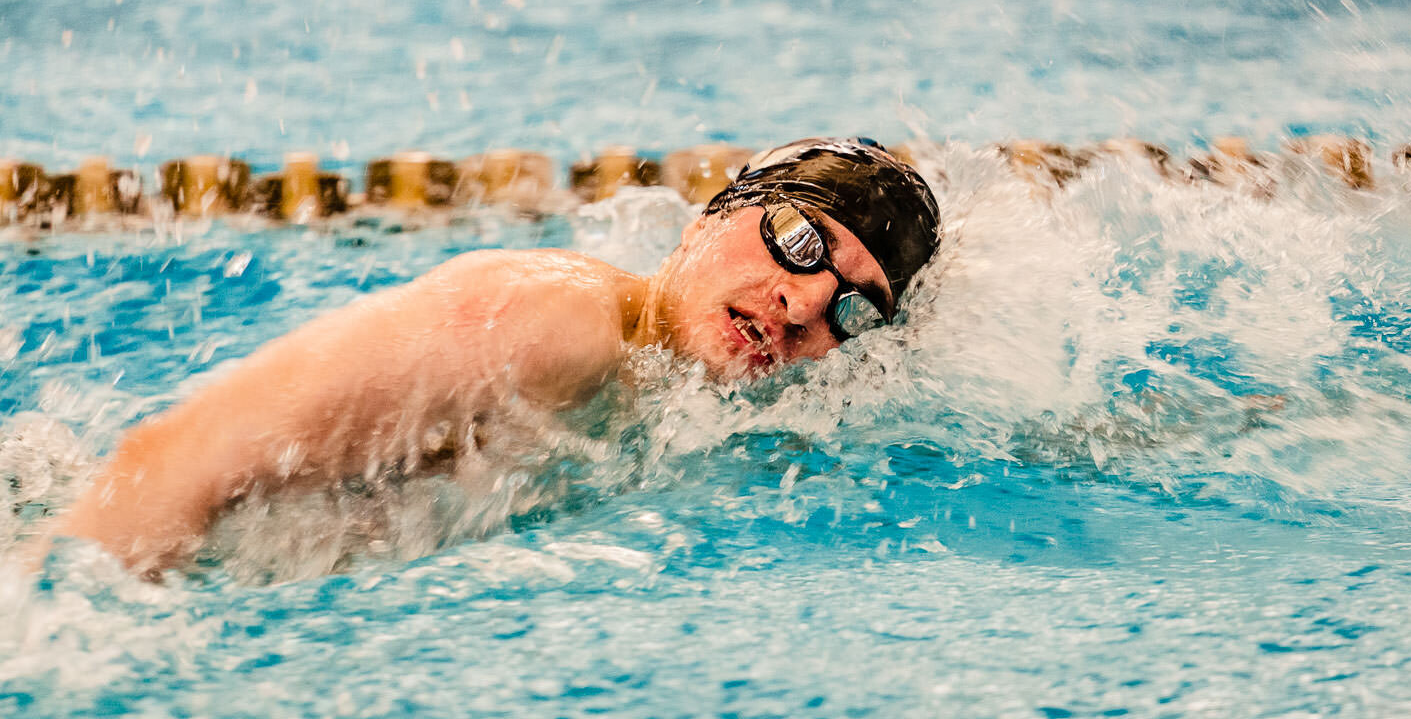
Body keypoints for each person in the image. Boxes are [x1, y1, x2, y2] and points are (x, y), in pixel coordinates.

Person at [49, 138, 941, 576]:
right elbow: (166, 466)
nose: (805, 303)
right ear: (713, 212)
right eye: (798, 239)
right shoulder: (544, 319)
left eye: (855, 312)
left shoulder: (682, 399)